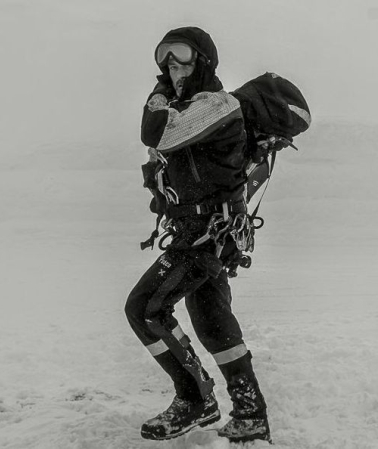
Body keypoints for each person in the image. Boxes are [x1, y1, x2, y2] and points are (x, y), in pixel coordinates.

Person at [124, 26, 271, 444]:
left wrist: (158, 94)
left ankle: (195, 399)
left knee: (144, 309)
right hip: (196, 230)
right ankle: (250, 412)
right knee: (212, 323)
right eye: (163, 56)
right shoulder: (184, 109)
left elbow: (155, 132)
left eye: (181, 54)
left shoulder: (218, 105)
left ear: (202, 60)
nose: (171, 64)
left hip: (209, 234)